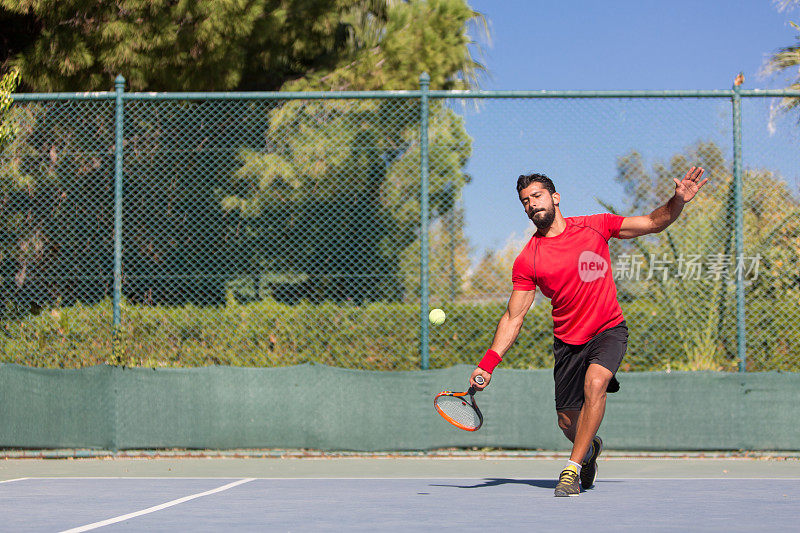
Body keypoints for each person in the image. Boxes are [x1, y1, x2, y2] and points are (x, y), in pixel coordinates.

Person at [469, 167, 707, 497]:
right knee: (568, 422)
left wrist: (678, 201)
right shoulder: (528, 259)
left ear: (555, 198)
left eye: (536, 196)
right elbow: (513, 316)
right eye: (525, 201)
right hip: (567, 341)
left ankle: (571, 469)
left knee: (596, 383)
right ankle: (589, 450)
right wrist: (488, 362)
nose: (531, 204)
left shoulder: (595, 226)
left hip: (608, 329)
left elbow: (654, 222)